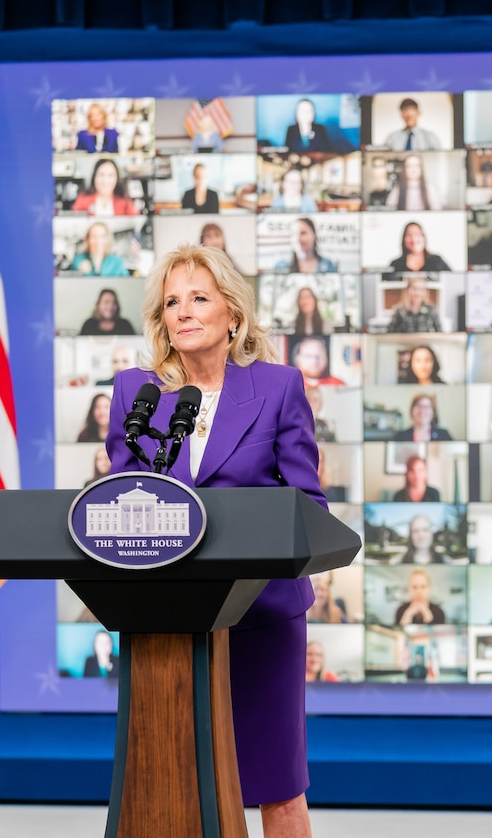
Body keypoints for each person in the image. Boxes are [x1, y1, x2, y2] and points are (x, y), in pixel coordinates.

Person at [104, 243, 327, 828]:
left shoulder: (278, 388)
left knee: (277, 783)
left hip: (262, 611)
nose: (185, 311)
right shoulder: (137, 394)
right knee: (172, 781)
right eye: (173, 302)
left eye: (199, 298)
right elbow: (117, 504)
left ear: (233, 313)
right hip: (167, 621)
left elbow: (308, 504)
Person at [72, 159, 137, 216]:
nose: (105, 180)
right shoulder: (83, 199)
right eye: (101, 175)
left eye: (110, 175)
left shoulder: (124, 201)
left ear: (117, 178)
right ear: (94, 177)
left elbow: (135, 223)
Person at [388, 222, 453, 275]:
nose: (413, 239)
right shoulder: (395, 265)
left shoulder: (437, 261)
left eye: (417, 234)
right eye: (409, 235)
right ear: (403, 239)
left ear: (423, 237)